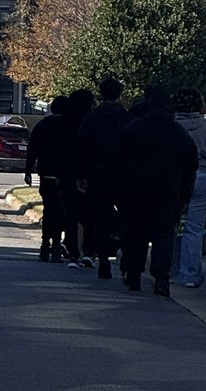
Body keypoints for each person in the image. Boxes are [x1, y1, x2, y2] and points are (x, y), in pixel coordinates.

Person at [114, 84, 198, 296]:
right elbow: (190, 167)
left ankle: (133, 273)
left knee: (135, 233)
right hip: (167, 192)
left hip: (134, 191)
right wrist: (184, 195)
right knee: (163, 235)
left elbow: (116, 160)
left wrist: (118, 190)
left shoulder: (133, 130)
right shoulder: (179, 135)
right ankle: (161, 278)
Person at [76, 77, 131, 279]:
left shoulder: (92, 118)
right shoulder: (126, 118)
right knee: (127, 217)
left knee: (100, 218)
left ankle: (103, 261)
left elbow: (82, 147)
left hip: (97, 174)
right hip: (122, 175)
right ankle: (126, 259)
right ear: (119, 94)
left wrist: (81, 175)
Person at [173, 88, 206, 288]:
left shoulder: (172, 126)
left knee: (170, 225)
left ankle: (168, 269)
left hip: (175, 178)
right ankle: (189, 275)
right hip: (203, 176)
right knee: (194, 229)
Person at [25, 96, 68, 261]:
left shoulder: (42, 125)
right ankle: (56, 244)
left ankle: (45, 244)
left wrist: (28, 170)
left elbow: (32, 149)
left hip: (46, 173)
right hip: (63, 175)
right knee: (60, 211)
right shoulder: (68, 127)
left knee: (49, 209)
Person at [56, 89, 95, 267]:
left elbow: (58, 149)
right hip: (91, 173)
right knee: (90, 214)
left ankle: (72, 251)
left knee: (71, 213)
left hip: (68, 173)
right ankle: (89, 250)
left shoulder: (65, 123)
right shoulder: (93, 120)